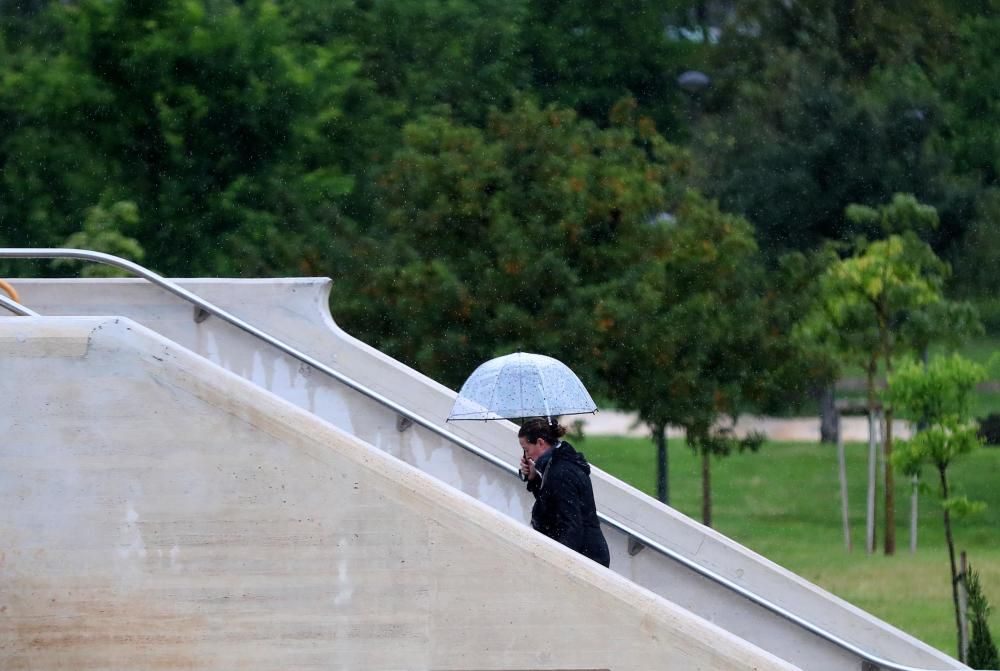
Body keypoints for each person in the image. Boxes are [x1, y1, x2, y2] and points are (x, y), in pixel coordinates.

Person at [518, 417, 610, 567]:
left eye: (527, 449)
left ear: (540, 443)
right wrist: (534, 478)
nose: (526, 456)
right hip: (588, 553)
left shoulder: (560, 472)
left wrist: (561, 563)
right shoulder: (558, 464)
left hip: (585, 558)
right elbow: (551, 503)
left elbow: (570, 524)